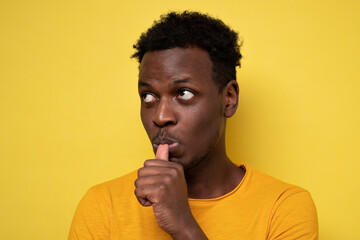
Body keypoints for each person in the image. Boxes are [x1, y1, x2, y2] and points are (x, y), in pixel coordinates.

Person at [68, 11, 318, 240]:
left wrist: (184, 227)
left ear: (228, 99)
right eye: (148, 96)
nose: (160, 116)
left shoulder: (283, 207)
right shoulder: (103, 205)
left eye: (184, 93)